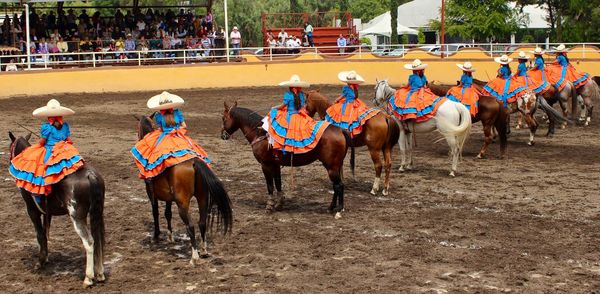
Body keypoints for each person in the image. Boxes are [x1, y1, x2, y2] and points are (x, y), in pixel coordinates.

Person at [9, 99, 84, 213]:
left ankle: (39, 193)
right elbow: (68, 139)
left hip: (51, 150)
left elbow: (43, 142)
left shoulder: (47, 127)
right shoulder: (64, 126)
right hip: (65, 149)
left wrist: (37, 145)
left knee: (40, 168)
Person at [131, 91, 211, 180]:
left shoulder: (159, 116)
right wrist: (176, 129)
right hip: (178, 134)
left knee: (153, 151)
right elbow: (184, 126)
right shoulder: (177, 113)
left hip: (165, 136)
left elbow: (161, 129)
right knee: (191, 148)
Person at [266, 75, 329, 154]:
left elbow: (282, 106)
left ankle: (281, 147)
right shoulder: (302, 95)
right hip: (300, 115)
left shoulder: (288, 95)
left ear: (291, 87)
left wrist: (274, 107)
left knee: (277, 122)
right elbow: (303, 107)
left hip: (290, 115)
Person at [325, 71, 380, 137]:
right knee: (357, 114)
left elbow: (344, 95)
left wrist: (337, 99)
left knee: (343, 113)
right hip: (354, 102)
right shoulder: (355, 87)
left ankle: (345, 128)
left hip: (348, 103)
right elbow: (356, 96)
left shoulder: (346, 88)